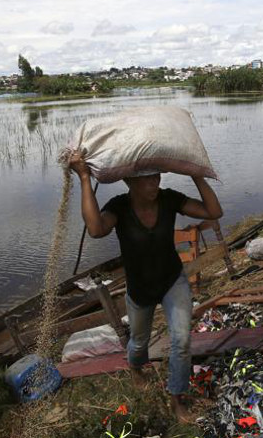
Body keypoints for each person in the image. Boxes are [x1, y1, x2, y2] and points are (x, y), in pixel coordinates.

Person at [67, 150, 223, 422]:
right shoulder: (119, 207)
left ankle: (177, 398)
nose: (155, 183)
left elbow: (214, 211)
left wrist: (197, 175)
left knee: (182, 339)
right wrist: (83, 176)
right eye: (147, 179)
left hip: (172, 280)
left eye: (156, 176)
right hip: (140, 289)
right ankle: (136, 368)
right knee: (139, 343)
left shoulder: (169, 199)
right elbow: (95, 229)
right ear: (129, 182)